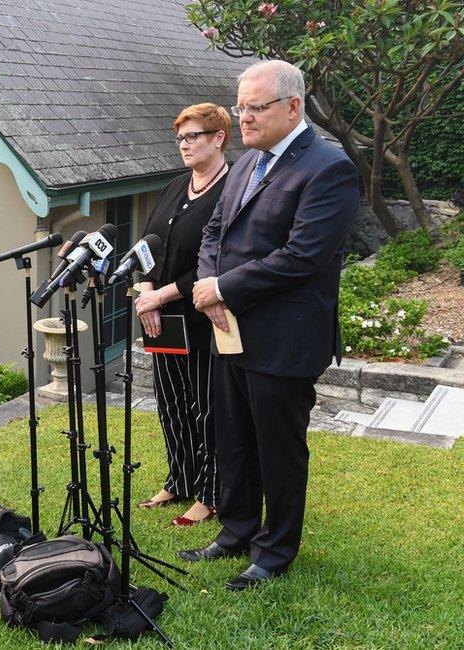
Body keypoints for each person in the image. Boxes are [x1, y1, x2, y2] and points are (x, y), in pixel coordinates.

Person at [183, 60, 359, 590]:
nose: (243, 118)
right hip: (230, 328)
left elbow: (302, 257)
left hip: (284, 338)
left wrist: (224, 288)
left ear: (292, 107)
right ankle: (236, 531)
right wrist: (212, 289)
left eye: (254, 108)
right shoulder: (245, 163)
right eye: (240, 107)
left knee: (278, 448)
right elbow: (214, 233)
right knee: (232, 437)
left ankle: (274, 551)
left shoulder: (329, 168)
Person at [133, 103, 231, 526]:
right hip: (160, 317)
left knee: (205, 406)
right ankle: (179, 478)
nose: (184, 145)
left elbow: (219, 262)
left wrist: (161, 296)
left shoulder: (232, 189)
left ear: (218, 138)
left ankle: (210, 493)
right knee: (170, 402)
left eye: (193, 137)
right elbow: (147, 244)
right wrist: (145, 292)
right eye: (181, 138)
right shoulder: (175, 185)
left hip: (202, 318)